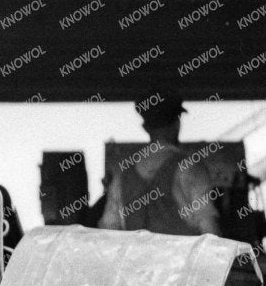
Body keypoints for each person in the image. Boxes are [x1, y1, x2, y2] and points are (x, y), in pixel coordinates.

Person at [94, 95, 222, 236]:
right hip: (180, 257)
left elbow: (108, 230)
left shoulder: (123, 174)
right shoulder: (191, 167)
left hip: (137, 257)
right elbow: (209, 227)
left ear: (145, 127)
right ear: (177, 124)